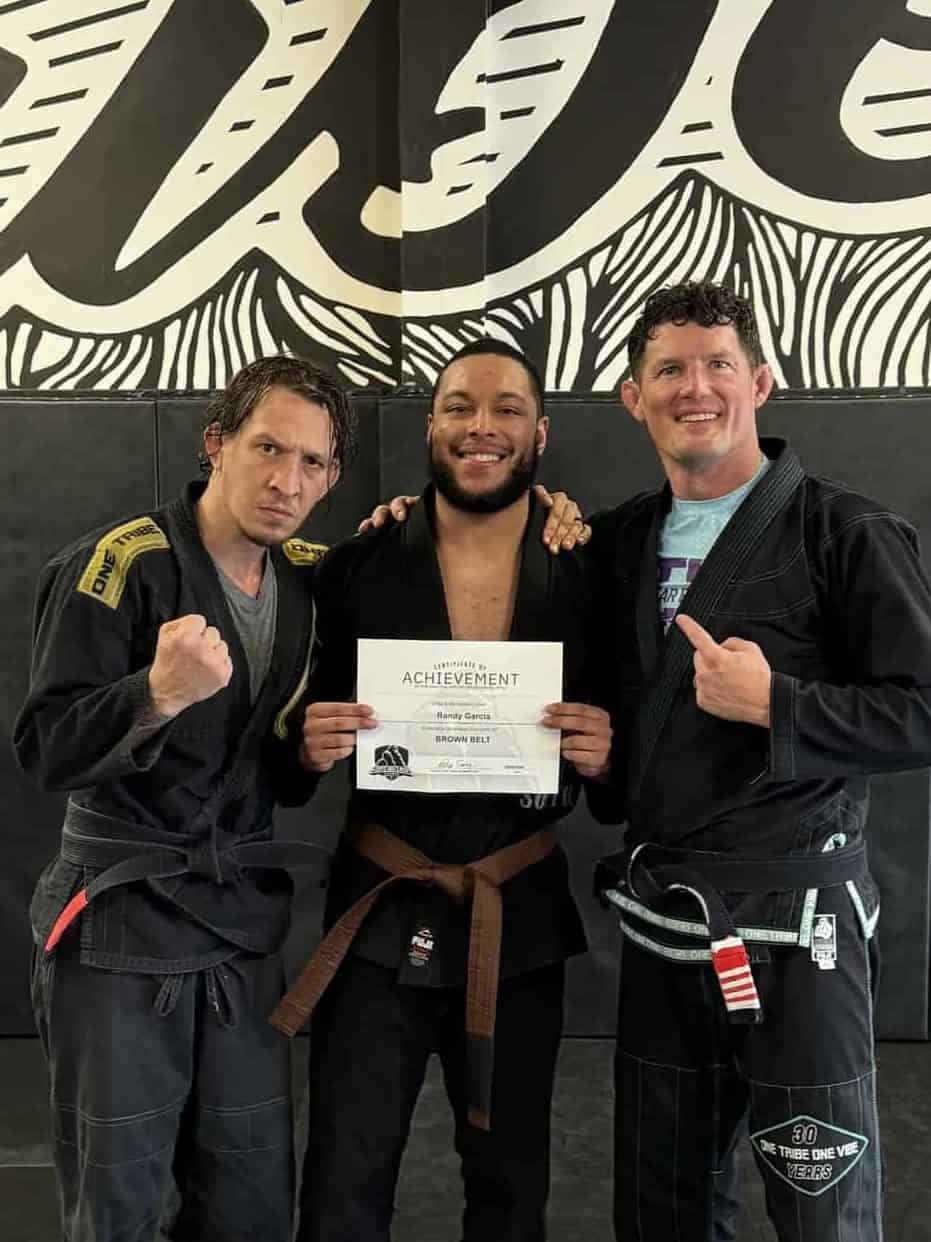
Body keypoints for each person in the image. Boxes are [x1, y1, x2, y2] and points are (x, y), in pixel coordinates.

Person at [584, 281, 931, 1241]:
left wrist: (776, 703)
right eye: (668, 370)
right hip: (665, 918)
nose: (694, 388)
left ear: (761, 382)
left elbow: (923, 710)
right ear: (632, 396)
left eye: (717, 365)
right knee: (661, 1209)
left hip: (797, 931)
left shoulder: (843, 530)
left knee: (817, 1211)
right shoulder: (617, 542)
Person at [271, 338, 612, 1242]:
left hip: (518, 913)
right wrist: (305, 748)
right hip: (377, 912)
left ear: (538, 432)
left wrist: (604, 755)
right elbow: (287, 747)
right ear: (431, 425)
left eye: (505, 409)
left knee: (510, 1188)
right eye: (460, 405)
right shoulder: (356, 565)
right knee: (343, 1178)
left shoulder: (585, 569)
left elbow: (620, 766)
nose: (481, 426)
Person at [13, 355, 356, 1242]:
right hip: (120, 918)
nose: (286, 481)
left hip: (238, 924)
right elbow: (45, 751)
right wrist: (153, 693)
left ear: (331, 478)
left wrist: (306, 756)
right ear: (216, 444)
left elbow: (269, 768)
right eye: (267, 447)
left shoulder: (313, 580)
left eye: (312, 463)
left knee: (247, 1193)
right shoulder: (116, 564)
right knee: (119, 1191)